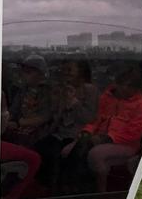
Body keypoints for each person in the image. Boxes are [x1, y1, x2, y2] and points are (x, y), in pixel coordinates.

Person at [61, 63, 142, 193]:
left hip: (124, 144)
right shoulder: (106, 97)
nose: (124, 89)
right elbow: (95, 119)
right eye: (122, 84)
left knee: (93, 152)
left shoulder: (141, 105)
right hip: (96, 137)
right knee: (67, 150)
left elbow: (133, 134)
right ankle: (77, 187)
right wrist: (87, 131)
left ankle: (80, 188)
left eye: (130, 86)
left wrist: (107, 138)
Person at [34, 57, 98, 188]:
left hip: (76, 135)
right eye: (64, 70)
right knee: (39, 150)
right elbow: (55, 115)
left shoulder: (89, 90)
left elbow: (89, 118)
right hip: (58, 133)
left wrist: (74, 102)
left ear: (81, 72)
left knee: (57, 158)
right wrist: (57, 99)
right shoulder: (62, 88)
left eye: (70, 70)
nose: (66, 73)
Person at [3, 55, 53, 147]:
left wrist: (19, 123)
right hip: (19, 129)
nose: (24, 75)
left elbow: (45, 117)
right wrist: (5, 121)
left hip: (39, 133)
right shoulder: (23, 91)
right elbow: (14, 110)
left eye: (28, 72)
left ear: (40, 74)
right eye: (24, 72)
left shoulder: (47, 92)